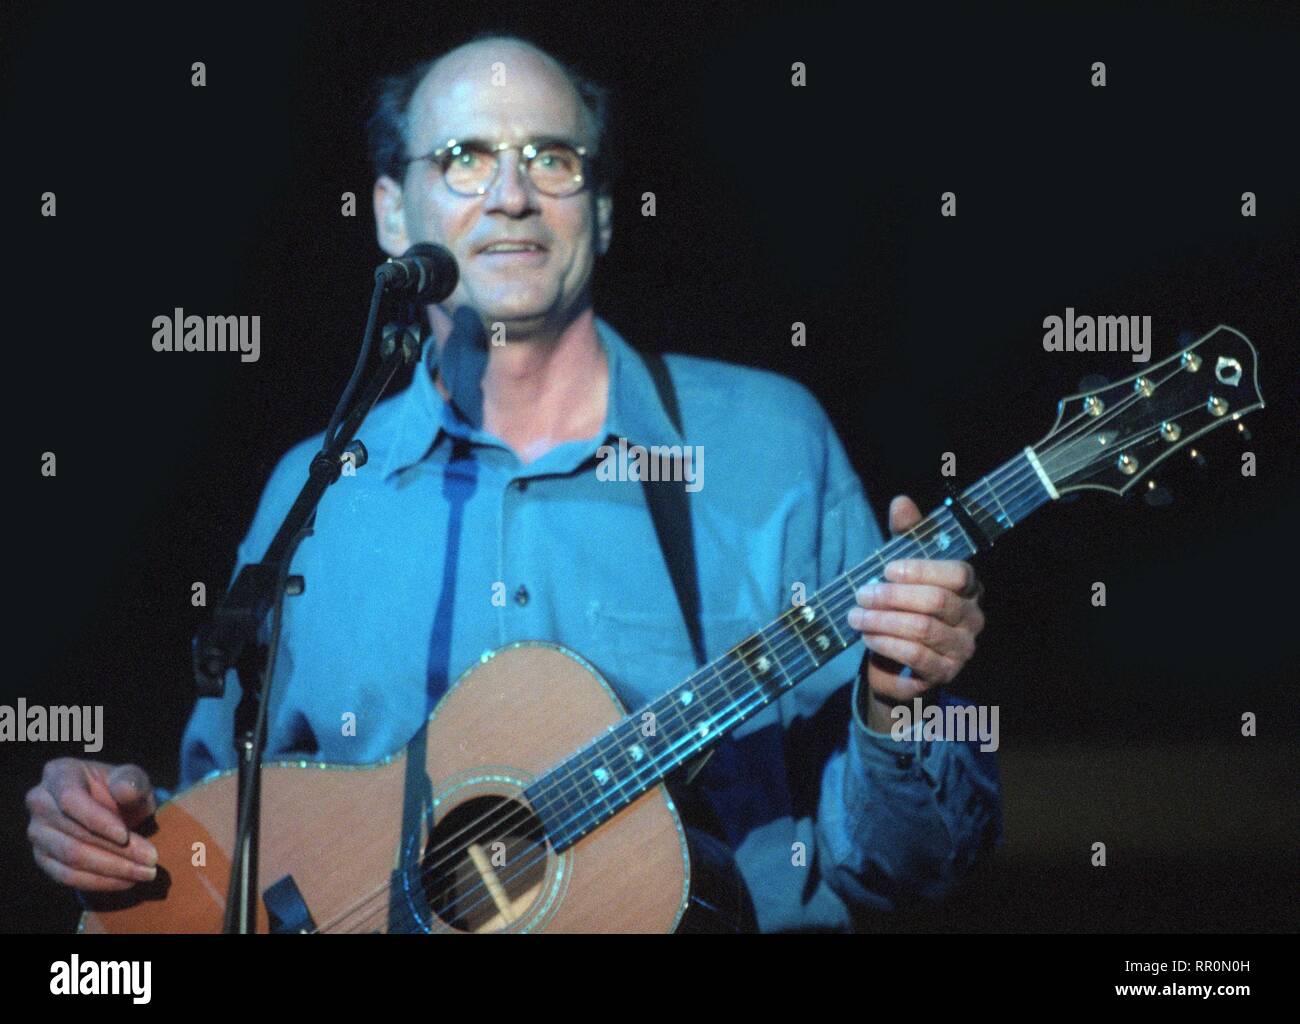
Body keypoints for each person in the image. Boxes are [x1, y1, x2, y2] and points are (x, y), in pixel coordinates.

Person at [26, 33, 998, 932]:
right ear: (390, 212)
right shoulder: (316, 494)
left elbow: (906, 868)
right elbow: (212, 849)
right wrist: (114, 834)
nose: (510, 195)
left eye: (551, 158)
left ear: (604, 209)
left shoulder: (768, 444)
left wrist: (895, 699)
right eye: (463, 158)